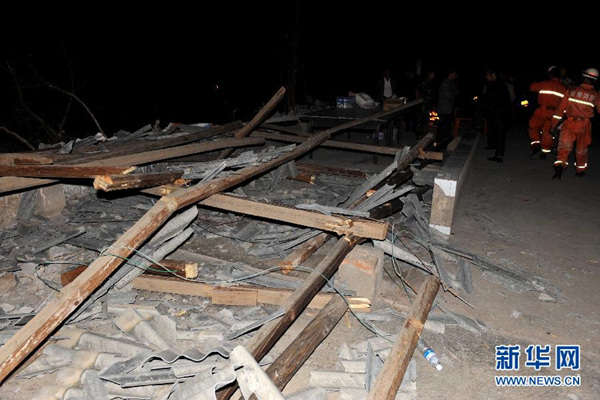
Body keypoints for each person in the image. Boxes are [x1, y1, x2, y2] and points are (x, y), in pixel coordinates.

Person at [551, 68, 600, 179]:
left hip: (569, 123)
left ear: (583, 77)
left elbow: (559, 110)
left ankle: (560, 165)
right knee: (581, 149)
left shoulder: (571, 91)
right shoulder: (596, 95)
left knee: (564, 147)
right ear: (594, 81)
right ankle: (580, 170)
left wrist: (553, 125)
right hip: (584, 125)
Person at [528, 66, 566, 159]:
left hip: (542, 110)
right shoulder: (563, 88)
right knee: (548, 131)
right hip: (554, 113)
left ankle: (536, 146)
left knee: (533, 127)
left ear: (550, 74)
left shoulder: (544, 84)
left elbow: (531, 87)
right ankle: (544, 151)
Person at [480, 67, 511, 162]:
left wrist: (488, 105)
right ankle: (496, 150)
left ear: (493, 75)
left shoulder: (499, 84)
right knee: (495, 132)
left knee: (499, 134)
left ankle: (499, 155)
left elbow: (497, 99)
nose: (486, 77)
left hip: (499, 113)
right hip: (495, 112)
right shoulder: (494, 84)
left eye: (488, 75)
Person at [436, 68, 459, 149]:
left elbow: (456, 92)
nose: (455, 76)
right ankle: (439, 144)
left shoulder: (451, 83)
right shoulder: (444, 84)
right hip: (443, 109)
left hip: (448, 109)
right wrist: (453, 94)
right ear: (450, 74)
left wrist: (453, 93)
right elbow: (448, 96)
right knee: (442, 128)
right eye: (454, 74)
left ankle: (444, 144)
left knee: (447, 128)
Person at [415, 68, 437, 139]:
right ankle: (419, 135)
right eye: (433, 74)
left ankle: (423, 135)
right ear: (429, 74)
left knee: (425, 120)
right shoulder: (425, 82)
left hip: (427, 104)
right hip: (423, 104)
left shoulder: (430, 82)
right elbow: (420, 92)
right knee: (421, 120)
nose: (434, 76)